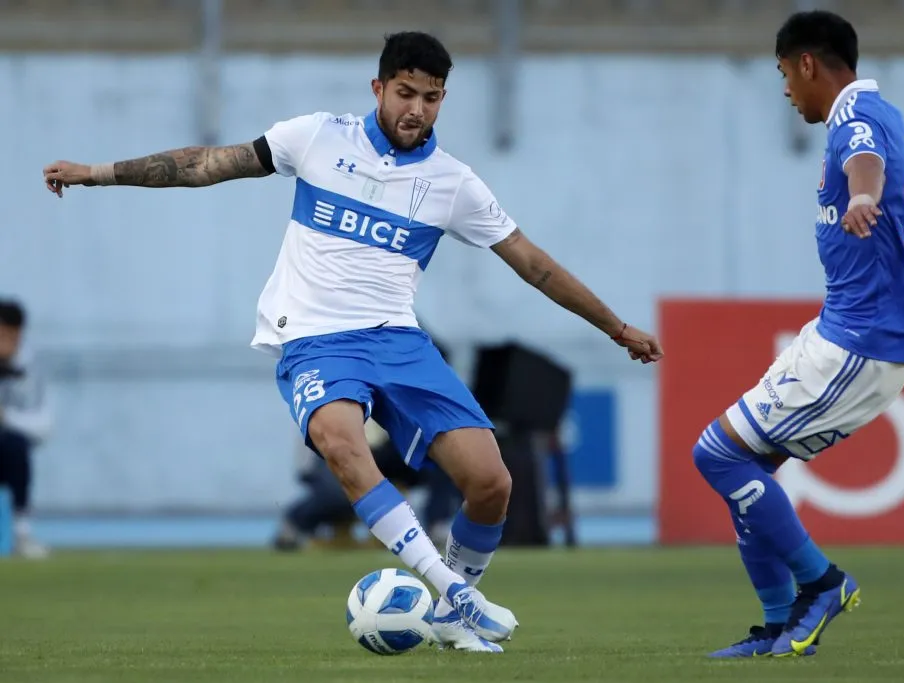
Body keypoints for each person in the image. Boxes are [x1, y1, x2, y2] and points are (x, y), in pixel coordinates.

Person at [43, 31, 662, 652]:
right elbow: (206, 164)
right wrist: (96, 173)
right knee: (341, 444)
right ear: (378, 88)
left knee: (492, 482)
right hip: (315, 339)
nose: (416, 109)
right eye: (405, 93)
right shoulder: (316, 137)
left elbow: (534, 264)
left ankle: (452, 613)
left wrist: (616, 327)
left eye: (432, 97)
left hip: (398, 340)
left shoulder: (453, 184)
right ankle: (452, 589)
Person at [694, 11, 904, 658]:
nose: (785, 90)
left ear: (808, 63)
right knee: (750, 470)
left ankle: (823, 581)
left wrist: (863, 196)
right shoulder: (890, 115)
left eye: (784, 73)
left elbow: (865, 163)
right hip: (845, 332)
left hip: (855, 346)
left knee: (717, 455)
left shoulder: (854, 121)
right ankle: (780, 624)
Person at [0, 299, 54, 559]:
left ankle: (22, 535)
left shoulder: (32, 369)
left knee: (15, 447)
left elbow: (44, 428)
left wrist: (6, 417)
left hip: (7, 452)